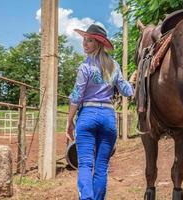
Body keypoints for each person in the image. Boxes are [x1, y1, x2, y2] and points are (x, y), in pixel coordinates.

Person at [66, 24, 136, 200]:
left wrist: (69, 120)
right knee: (101, 166)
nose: (85, 44)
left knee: (85, 165)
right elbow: (127, 91)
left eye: (89, 40)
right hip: (108, 118)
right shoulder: (115, 66)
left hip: (87, 116)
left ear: (98, 43)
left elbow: (76, 96)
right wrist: (132, 82)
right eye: (84, 40)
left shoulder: (85, 67)